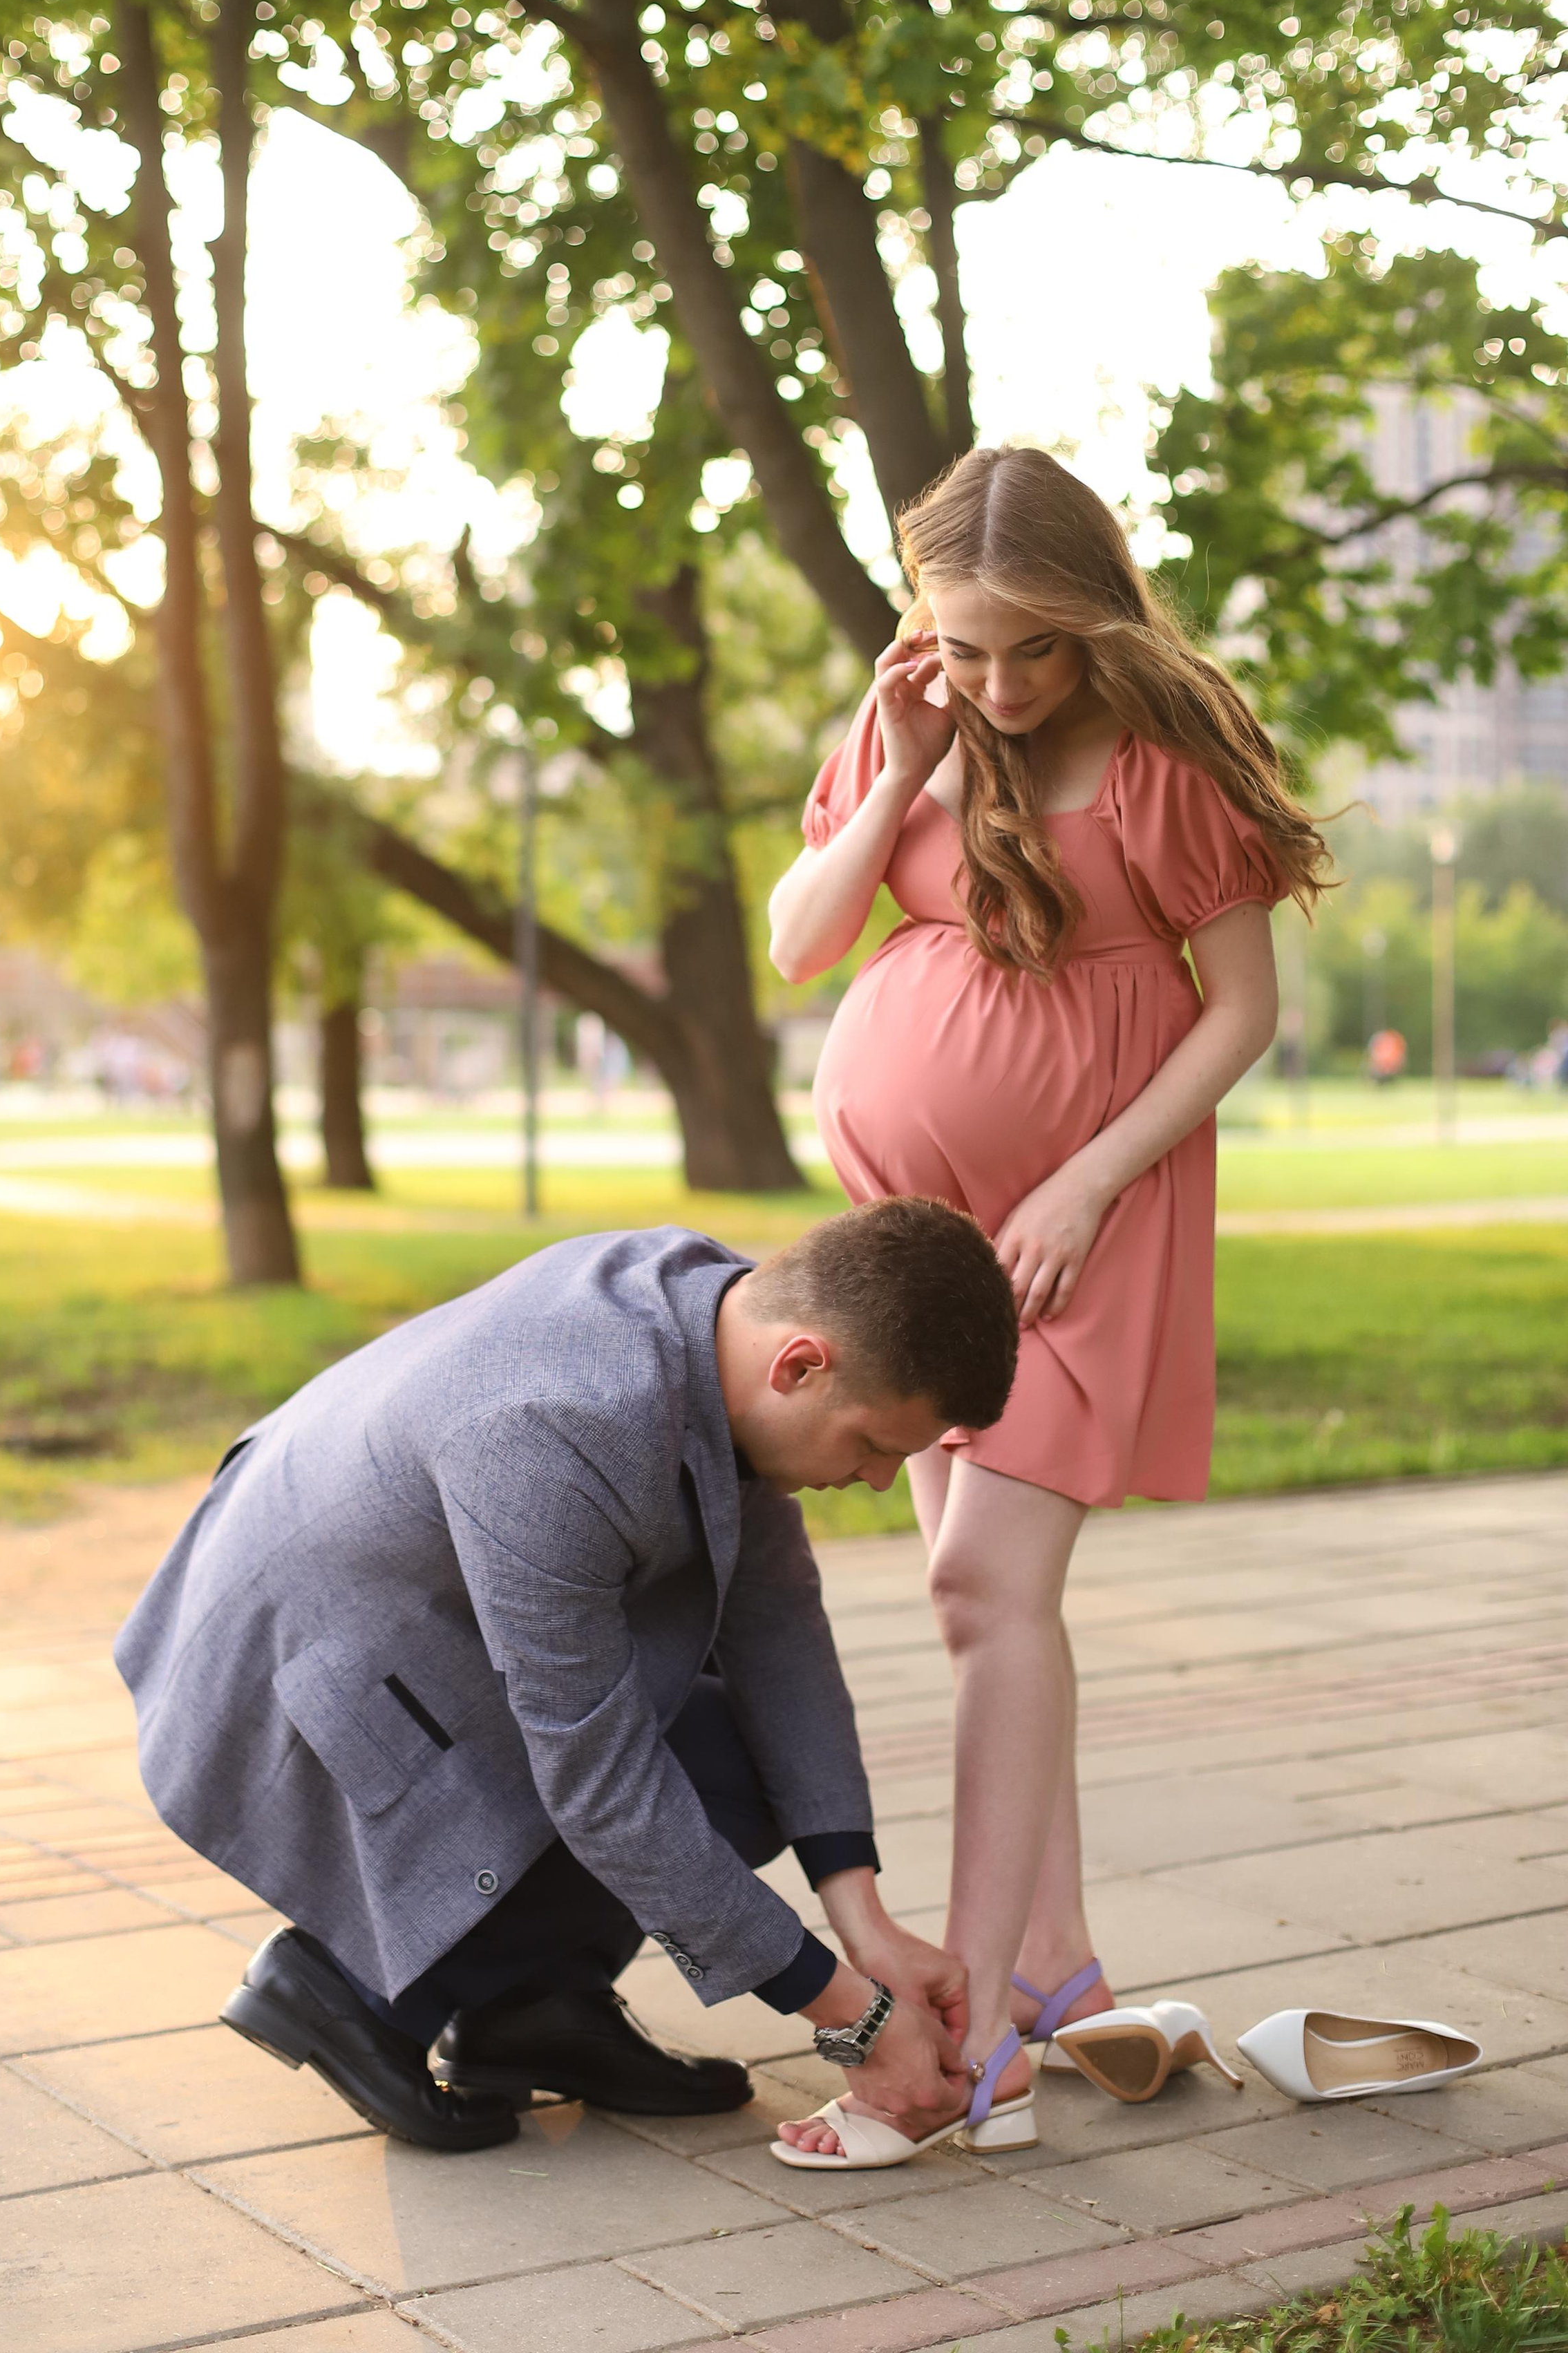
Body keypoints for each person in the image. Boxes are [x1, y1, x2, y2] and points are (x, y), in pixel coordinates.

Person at [767, 446, 1328, 2158]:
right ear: (916, 623)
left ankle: (988, 2012)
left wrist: (1090, 1174)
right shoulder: (913, 728)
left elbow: (1238, 1011)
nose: (1002, 684)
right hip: (921, 1239)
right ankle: (1068, 1969)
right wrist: (903, 768)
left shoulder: (1158, 774)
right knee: (982, 1614)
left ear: (1093, 620)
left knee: (976, 1591)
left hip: (1079, 1229)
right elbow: (803, 940)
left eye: (1034, 650)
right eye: (965, 645)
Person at [115, 1199, 1018, 2154]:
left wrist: (864, 1923)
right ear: (801, 1367)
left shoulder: (723, 1321)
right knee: (649, 1783)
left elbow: (778, 1630)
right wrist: (852, 2017)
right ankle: (353, 1989)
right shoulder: (558, 1426)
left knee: (740, 1769)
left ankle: (534, 2011)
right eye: (877, 1447)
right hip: (299, 1679)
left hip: (409, 1623)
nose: (880, 1481)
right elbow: (603, 1790)